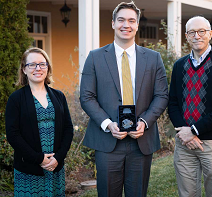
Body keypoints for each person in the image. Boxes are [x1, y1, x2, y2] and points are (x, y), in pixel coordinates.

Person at [79, 1, 168, 196]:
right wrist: (108, 123)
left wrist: (144, 121)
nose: (125, 25)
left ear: (137, 25)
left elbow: (161, 95)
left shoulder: (153, 58)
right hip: (107, 141)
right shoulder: (95, 57)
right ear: (113, 23)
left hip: (141, 140)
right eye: (121, 20)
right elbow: (86, 96)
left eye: (131, 20)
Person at [168, 16, 212, 197]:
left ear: (210, 34)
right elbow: (173, 103)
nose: (197, 36)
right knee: (187, 193)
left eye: (202, 31)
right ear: (186, 36)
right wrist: (185, 133)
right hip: (185, 143)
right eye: (192, 32)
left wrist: (194, 130)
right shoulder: (179, 65)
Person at [5, 47, 74, 196]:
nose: (38, 68)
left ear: (48, 68)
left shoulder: (59, 96)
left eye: (42, 64)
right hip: (29, 170)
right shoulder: (16, 99)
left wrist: (58, 157)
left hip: (55, 168)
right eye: (32, 64)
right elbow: (12, 134)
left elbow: (68, 128)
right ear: (24, 69)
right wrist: (39, 159)